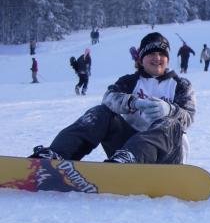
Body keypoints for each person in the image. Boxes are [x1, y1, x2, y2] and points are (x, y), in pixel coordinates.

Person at [29, 32, 196, 164]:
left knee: (170, 123)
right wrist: (133, 102)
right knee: (101, 112)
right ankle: (56, 156)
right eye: (151, 53)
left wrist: (169, 110)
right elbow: (109, 98)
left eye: (162, 53)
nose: (157, 58)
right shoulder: (129, 81)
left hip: (167, 155)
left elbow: (188, 117)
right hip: (126, 151)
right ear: (141, 59)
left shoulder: (181, 85)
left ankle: (131, 159)